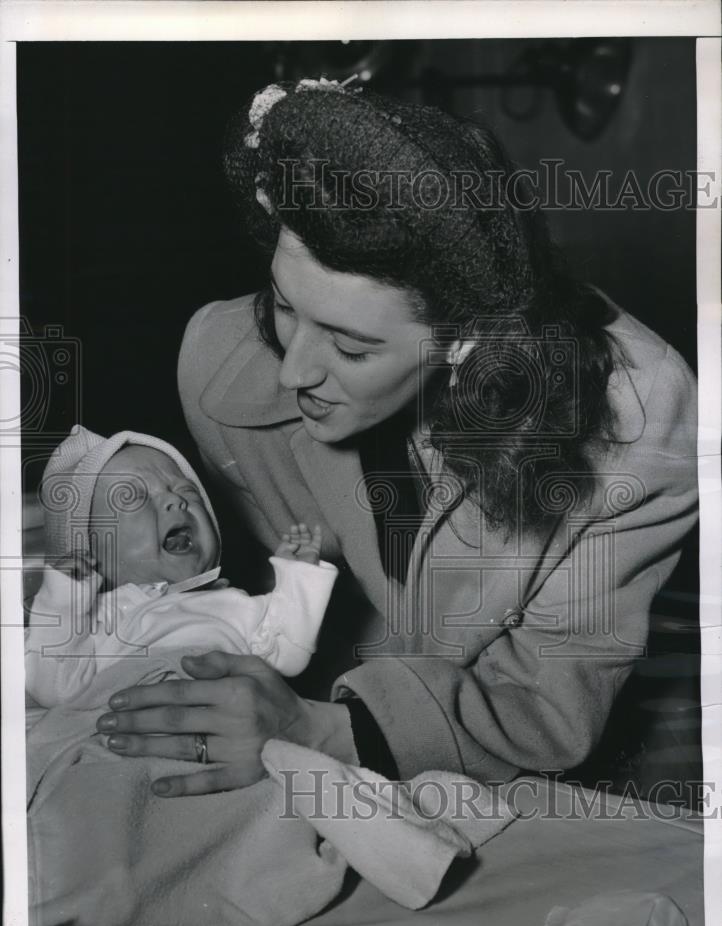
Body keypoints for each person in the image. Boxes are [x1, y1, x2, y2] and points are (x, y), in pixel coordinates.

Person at [97, 77, 698, 797]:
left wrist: (320, 733)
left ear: (465, 341)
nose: (293, 371)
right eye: (285, 307)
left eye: (351, 349)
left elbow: (546, 705)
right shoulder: (218, 363)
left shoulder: (639, 417)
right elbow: (270, 608)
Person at [27, 424, 338, 708]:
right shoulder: (95, 622)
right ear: (88, 547)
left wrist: (297, 579)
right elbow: (53, 689)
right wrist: (63, 603)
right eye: (134, 497)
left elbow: (290, 655)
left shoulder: (229, 605)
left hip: (230, 742)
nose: (174, 501)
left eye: (186, 490)